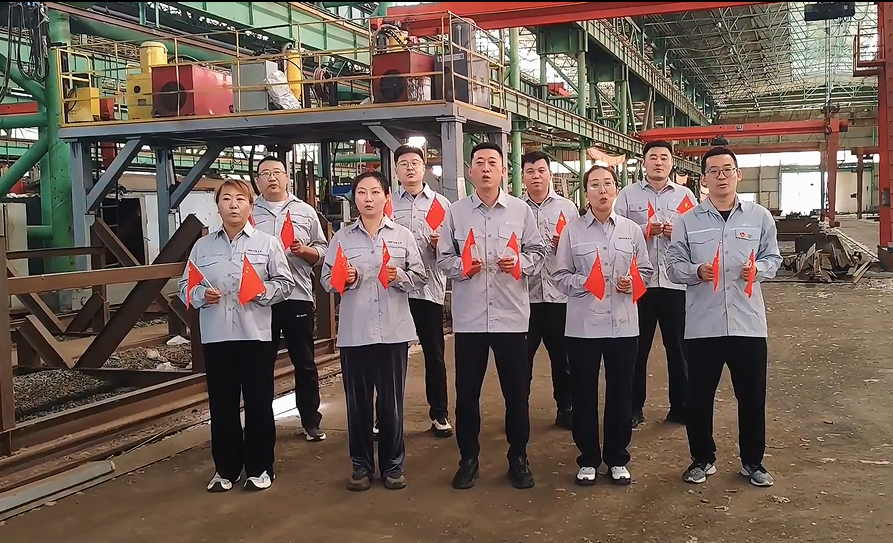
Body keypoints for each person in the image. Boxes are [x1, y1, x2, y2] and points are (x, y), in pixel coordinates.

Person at [666, 146, 781, 487]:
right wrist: (696, 271)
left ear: (738, 175)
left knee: (752, 397)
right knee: (699, 398)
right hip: (704, 324)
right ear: (704, 179)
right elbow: (673, 266)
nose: (721, 176)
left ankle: (753, 461)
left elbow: (773, 258)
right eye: (713, 171)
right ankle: (702, 459)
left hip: (748, 324)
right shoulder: (687, 221)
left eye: (727, 170)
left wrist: (758, 269)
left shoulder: (759, 217)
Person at [436, 141, 547, 490]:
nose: (485, 169)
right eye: (479, 163)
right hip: (470, 320)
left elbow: (538, 251)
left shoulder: (520, 211)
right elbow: (443, 257)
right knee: (467, 394)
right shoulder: (456, 212)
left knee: (517, 394)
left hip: (511, 318)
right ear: (470, 171)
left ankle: (519, 458)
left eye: (492, 163)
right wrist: (462, 267)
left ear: (503, 171)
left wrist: (520, 263)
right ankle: (468, 459)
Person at [178, 179, 295, 492]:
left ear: (250, 205)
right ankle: (225, 470)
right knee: (222, 405)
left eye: (240, 199)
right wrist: (201, 294)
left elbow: (285, 284)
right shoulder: (203, 247)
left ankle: (260, 468)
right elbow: (185, 286)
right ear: (217, 206)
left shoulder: (267, 244)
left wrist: (261, 291)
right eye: (226, 199)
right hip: (217, 336)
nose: (233, 205)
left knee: (258, 403)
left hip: (255, 335)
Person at [320, 171, 427, 492]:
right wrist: (345, 279)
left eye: (375, 192)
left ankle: (393, 466)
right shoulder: (341, 238)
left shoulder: (402, 236)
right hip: (355, 333)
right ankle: (361, 466)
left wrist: (399, 277)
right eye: (362, 193)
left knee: (391, 403)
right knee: (358, 405)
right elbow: (326, 280)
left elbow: (420, 276)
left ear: (386, 197)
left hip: (393, 332)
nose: (368, 198)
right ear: (355, 199)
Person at [553, 165, 653, 486]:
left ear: (616, 190)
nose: (602, 190)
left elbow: (646, 270)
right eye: (594, 185)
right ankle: (588, 459)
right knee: (584, 394)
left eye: (608, 184)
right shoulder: (572, 232)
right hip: (583, 327)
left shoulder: (631, 230)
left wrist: (632, 282)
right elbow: (559, 276)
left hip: (623, 326)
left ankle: (617, 457)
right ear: (586, 193)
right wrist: (585, 282)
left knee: (621, 393)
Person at [614, 140, 696, 428]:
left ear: (672, 163)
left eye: (663, 157)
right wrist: (644, 230)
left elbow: (697, 236)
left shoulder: (685, 196)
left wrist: (678, 233)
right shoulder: (628, 195)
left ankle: (681, 407)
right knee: (636, 349)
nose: (658, 162)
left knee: (679, 350)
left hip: (675, 284)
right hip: (641, 284)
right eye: (653, 157)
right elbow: (616, 231)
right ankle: (633, 408)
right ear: (644, 163)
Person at [252, 156, 329, 442]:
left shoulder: (305, 212)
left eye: (277, 172)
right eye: (265, 173)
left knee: (304, 362)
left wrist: (306, 251)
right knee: (260, 364)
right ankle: (261, 423)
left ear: (287, 177)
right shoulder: (249, 212)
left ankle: (310, 420)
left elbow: (323, 250)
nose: (272, 178)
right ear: (258, 181)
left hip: (297, 295)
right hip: (261, 299)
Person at [390, 144, 454, 438]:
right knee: (391, 356)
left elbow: (455, 247)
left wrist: (441, 245)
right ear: (396, 170)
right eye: (404, 164)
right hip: (395, 290)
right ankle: (386, 416)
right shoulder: (387, 204)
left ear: (424, 167)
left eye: (415, 163)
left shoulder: (442, 205)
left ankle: (439, 414)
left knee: (434, 354)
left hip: (429, 289)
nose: (410, 168)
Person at [520, 150, 579, 430]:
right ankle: (518, 410)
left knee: (563, 359)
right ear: (523, 177)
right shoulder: (515, 210)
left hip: (559, 296)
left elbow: (580, 250)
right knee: (521, 360)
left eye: (541, 171)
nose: (536, 176)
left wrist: (564, 246)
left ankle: (566, 407)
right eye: (530, 172)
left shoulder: (567, 209)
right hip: (525, 297)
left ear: (550, 175)